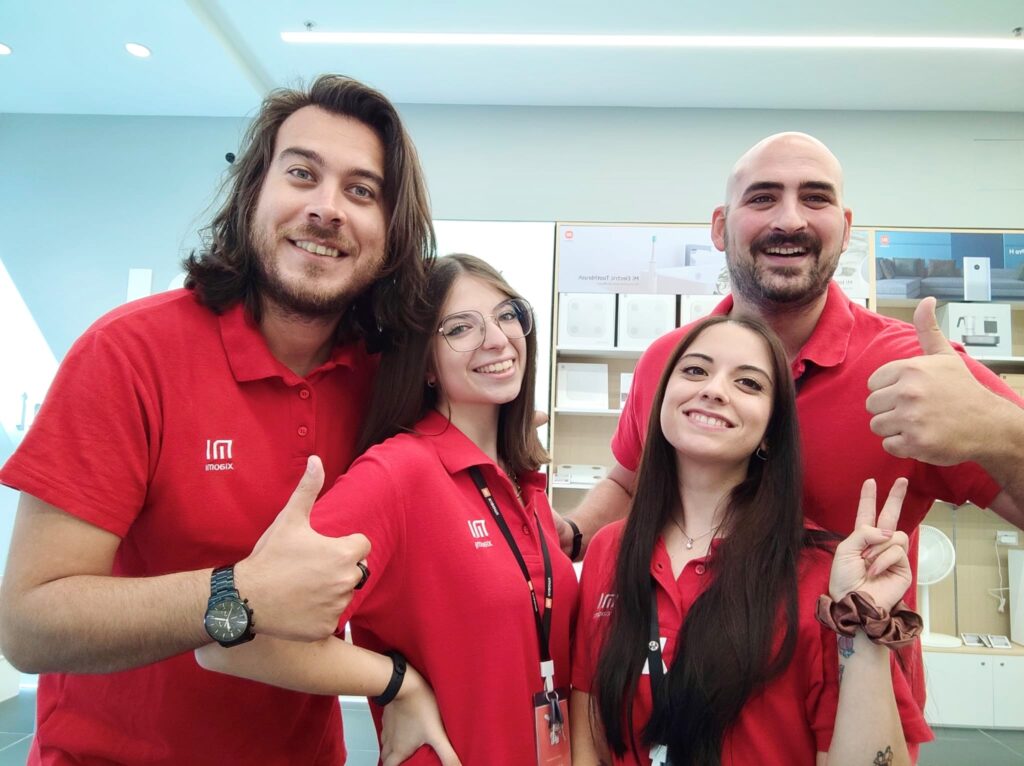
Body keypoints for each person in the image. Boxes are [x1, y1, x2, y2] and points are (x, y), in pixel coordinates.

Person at [0, 74, 435, 765]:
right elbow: (28, 625)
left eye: (361, 191)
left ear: (392, 231)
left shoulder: (388, 383)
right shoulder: (128, 354)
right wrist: (240, 593)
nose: (326, 209)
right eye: (302, 174)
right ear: (254, 191)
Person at [559, 131, 1024, 708]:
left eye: (815, 198)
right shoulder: (671, 361)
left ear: (846, 228)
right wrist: (570, 536)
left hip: (853, 707)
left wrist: (999, 429)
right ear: (719, 227)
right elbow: (631, 484)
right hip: (671, 698)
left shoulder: (916, 369)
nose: (789, 220)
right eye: (762, 198)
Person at [197, 254, 578, 765]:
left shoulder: (521, 480)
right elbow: (232, 639)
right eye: (460, 328)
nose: (496, 338)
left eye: (507, 314)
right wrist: (397, 683)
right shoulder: (398, 473)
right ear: (425, 364)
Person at [571, 316, 930, 765]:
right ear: (660, 400)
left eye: (748, 383)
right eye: (695, 370)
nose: (714, 390)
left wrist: (862, 622)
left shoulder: (822, 574)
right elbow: (588, 736)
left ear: (770, 433)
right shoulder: (611, 549)